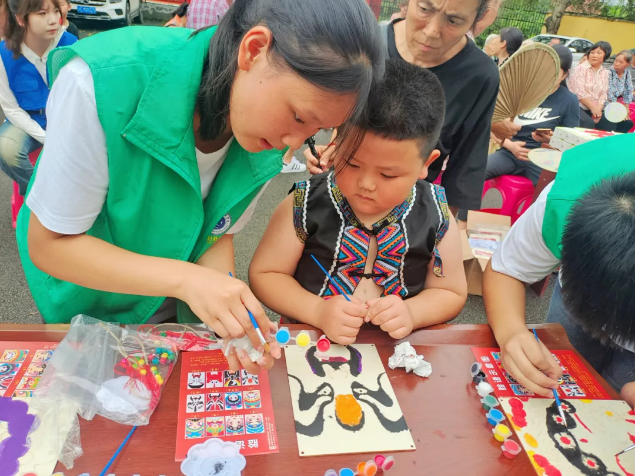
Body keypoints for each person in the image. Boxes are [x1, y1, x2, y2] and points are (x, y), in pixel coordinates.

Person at [17, 0, 385, 374]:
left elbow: (217, 233)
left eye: (315, 130)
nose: (291, 143)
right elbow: (51, 245)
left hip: (173, 306)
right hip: (87, 304)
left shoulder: (266, 132)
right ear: (254, 49)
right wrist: (189, 280)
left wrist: (228, 307)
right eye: (298, 116)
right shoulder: (101, 82)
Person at [249, 60, 467, 345]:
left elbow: (450, 291)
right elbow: (266, 273)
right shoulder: (305, 202)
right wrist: (316, 310)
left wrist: (412, 312)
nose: (366, 184)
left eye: (388, 174)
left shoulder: (436, 215)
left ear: (426, 164)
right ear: (335, 144)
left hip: (396, 351)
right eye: (351, 164)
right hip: (312, 343)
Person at [306, 0, 501, 223]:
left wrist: (440, 232)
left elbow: (465, 168)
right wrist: (334, 147)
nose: (432, 31)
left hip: (409, 215)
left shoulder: (480, 76)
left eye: (454, 20)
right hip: (342, 194)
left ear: (479, 17)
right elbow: (344, 114)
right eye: (425, 9)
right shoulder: (368, 43)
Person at [482, 133, 635, 397]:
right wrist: (511, 333)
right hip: (580, 309)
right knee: (564, 372)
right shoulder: (564, 202)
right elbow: (507, 271)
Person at [0, 0, 77, 196]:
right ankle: (40, 195)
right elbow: (11, 108)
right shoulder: (4, 53)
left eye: (56, 11)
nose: (53, 20)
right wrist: (47, 138)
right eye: (42, 14)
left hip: (66, 118)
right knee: (6, 148)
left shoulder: (71, 45)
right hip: (27, 119)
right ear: (21, 19)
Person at [479, 45, 580, 186]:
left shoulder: (569, 101)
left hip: (544, 160)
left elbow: (571, 142)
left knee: (549, 191)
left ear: (564, 75)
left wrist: (552, 139)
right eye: (545, 70)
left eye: (555, 72)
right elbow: (495, 126)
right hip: (510, 153)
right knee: (474, 173)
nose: (547, 76)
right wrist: (511, 146)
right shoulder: (522, 91)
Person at [568, 41, 612, 130]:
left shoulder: (605, 72)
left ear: (605, 56)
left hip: (594, 108)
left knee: (608, 121)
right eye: (592, 52)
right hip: (577, 105)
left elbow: (603, 93)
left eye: (599, 53)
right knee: (588, 123)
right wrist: (593, 108)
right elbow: (579, 92)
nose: (594, 55)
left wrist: (598, 110)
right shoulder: (581, 68)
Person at [606, 49, 634, 133]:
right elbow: (609, 92)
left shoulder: (627, 73)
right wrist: (620, 110)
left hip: (618, 104)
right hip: (607, 103)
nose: (617, 63)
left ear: (628, 64)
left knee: (628, 123)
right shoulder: (609, 73)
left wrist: (626, 107)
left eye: (621, 62)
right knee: (616, 121)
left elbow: (629, 90)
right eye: (616, 60)